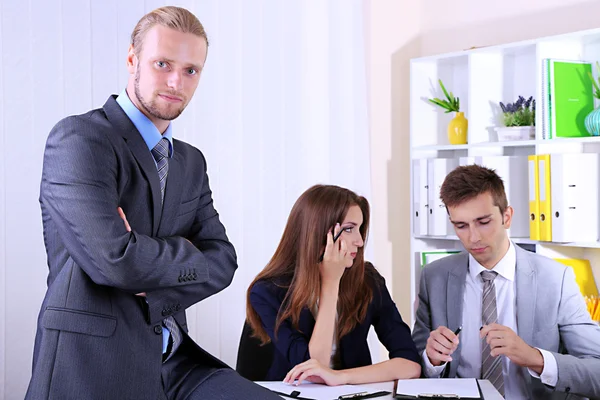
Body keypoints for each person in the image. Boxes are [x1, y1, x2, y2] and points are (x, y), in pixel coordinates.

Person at [26, 6, 279, 400]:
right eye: (162, 63)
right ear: (132, 59)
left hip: (178, 364)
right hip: (98, 367)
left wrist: (149, 272)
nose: (176, 81)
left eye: (191, 70)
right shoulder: (80, 140)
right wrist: (186, 255)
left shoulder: (190, 161)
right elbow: (117, 260)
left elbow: (224, 260)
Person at [412, 164, 600, 399]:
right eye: (461, 226)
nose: (473, 237)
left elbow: (596, 371)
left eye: (483, 221)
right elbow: (415, 367)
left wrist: (535, 358)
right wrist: (431, 361)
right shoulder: (434, 277)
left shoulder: (555, 279)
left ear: (507, 216)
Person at [246, 184, 421, 385]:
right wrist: (331, 283)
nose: (359, 241)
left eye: (360, 229)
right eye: (348, 229)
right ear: (317, 233)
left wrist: (342, 377)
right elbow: (312, 368)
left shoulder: (368, 280)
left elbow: (410, 364)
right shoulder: (267, 291)